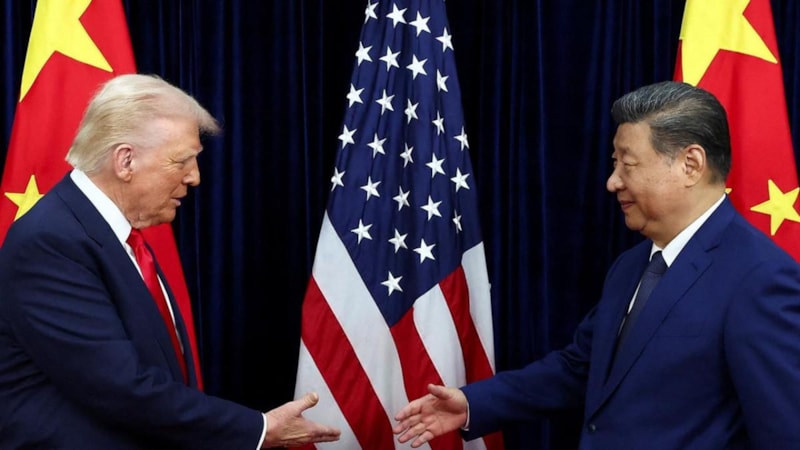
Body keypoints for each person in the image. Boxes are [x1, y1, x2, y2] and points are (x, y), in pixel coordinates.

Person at [392, 80, 800, 449]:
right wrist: (473, 404)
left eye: (628, 164)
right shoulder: (631, 265)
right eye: (613, 162)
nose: (613, 181)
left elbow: (784, 432)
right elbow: (581, 368)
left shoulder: (760, 277)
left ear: (690, 164)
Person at [0, 74, 340, 449]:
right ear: (125, 161)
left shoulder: (117, 236)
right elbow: (119, 387)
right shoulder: (51, 241)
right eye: (182, 161)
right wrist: (258, 429)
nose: (194, 177)